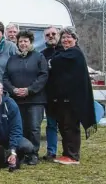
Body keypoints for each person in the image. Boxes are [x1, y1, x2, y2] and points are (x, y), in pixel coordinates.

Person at [46, 27, 97, 165]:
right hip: (63, 99)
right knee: (63, 126)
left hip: (73, 100)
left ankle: (73, 156)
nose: (66, 40)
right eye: (63, 38)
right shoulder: (64, 54)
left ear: (75, 39)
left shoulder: (75, 54)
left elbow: (55, 62)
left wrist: (52, 61)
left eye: (69, 37)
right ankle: (67, 153)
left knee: (70, 126)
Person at [2, 30, 48, 165]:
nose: (23, 43)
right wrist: (12, 89)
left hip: (35, 100)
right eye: (20, 41)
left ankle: (33, 154)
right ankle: (21, 153)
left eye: (25, 41)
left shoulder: (39, 57)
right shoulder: (12, 59)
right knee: (19, 128)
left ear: (30, 42)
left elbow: (43, 76)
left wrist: (29, 90)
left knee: (33, 128)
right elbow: (5, 77)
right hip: (16, 100)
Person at [40, 25, 61, 161]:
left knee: (66, 126)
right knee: (51, 125)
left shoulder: (65, 51)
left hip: (65, 96)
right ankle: (51, 152)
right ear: (44, 38)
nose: (51, 36)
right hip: (49, 96)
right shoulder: (42, 54)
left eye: (53, 33)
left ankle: (70, 152)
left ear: (58, 35)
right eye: (48, 35)